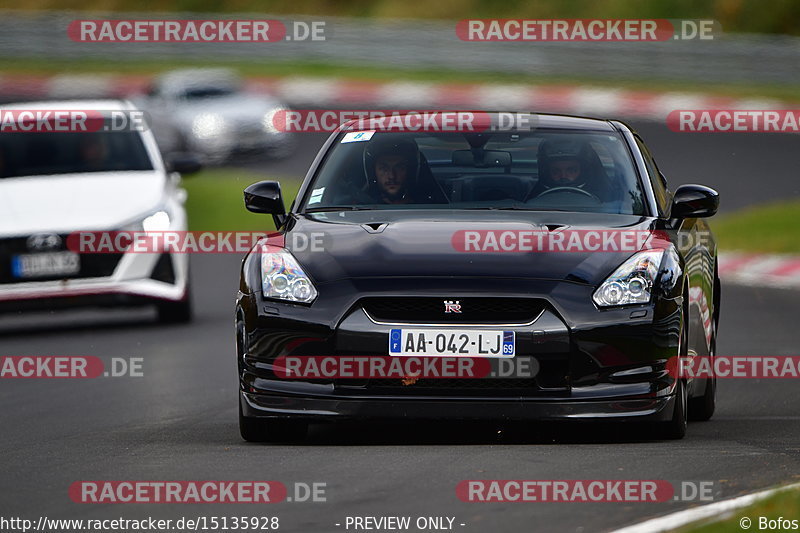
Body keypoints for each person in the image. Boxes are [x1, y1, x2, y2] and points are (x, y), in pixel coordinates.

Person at [528, 138, 614, 201]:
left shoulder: (605, 198)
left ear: (583, 170)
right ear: (546, 172)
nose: (563, 176)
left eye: (571, 170)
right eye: (556, 171)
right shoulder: (533, 197)